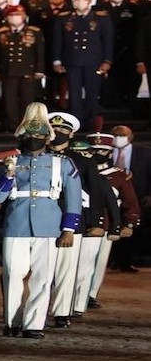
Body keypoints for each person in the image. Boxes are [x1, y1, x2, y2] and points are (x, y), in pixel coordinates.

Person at [0, 102, 81, 339]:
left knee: (43, 277)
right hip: (16, 224)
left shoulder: (63, 163)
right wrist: (8, 174)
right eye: (29, 134)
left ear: (46, 137)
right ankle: (12, 322)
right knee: (13, 274)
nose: (33, 139)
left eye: (38, 135)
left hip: (48, 225)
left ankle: (34, 324)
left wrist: (69, 229)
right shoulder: (10, 162)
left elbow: (73, 199)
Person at [46, 112, 119, 328]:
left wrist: (95, 222)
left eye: (62, 130)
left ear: (71, 133)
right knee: (43, 269)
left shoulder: (82, 158)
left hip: (73, 218)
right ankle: (40, 308)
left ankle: (61, 311)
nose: (57, 133)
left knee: (68, 269)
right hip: (45, 218)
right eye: (54, 129)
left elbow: (96, 190)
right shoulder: (39, 155)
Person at [79, 128, 141, 312]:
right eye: (94, 150)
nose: (98, 154)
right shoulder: (79, 171)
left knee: (98, 262)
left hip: (106, 224)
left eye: (103, 150)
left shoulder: (119, 175)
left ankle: (90, 293)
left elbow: (130, 201)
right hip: (82, 222)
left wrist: (129, 222)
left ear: (110, 152)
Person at [52, 0, 113, 130]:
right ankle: (76, 122)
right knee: (74, 94)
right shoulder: (64, 18)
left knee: (92, 92)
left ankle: (91, 122)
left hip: (94, 61)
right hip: (72, 61)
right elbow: (57, 41)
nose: (80, 2)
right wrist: (57, 60)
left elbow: (107, 41)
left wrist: (107, 60)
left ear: (89, 1)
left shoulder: (101, 18)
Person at [0, 5, 45, 132]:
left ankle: (26, 125)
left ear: (23, 17)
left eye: (17, 15)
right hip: (8, 70)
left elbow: (40, 52)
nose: (14, 18)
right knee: (9, 100)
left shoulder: (34, 32)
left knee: (27, 99)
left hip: (28, 71)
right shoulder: (0, 33)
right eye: (11, 16)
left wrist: (40, 69)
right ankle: (11, 125)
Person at [109, 125, 151, 272]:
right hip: (110, 196)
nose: (119, 138)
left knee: (133, 229)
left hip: (137, 196)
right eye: (116, 135)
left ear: (131, 137)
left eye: (122, 135)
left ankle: (125, 262)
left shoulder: (145, 153)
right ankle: (112, 261)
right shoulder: (104, 152)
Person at [96, 0, 144, 109]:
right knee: (107, 81)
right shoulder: (99, 9)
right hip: (105, 51)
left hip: (128, 51)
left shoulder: (135, 9)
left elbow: (139, 31)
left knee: (129, 80)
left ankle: (129, 103)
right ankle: (107, 103)